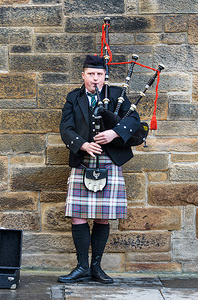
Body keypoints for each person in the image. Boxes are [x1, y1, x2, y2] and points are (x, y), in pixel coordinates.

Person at [58, 55, 141, 284]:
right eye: (91, 74)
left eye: (100, 75)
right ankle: (82, 267)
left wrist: (115, 132)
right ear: (83, 75)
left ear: (105, 76)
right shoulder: (73, 97)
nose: (96, 78)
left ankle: (96, 267)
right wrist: (82, 144)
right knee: (77, 216)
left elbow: (135, 120)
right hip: (84, 159)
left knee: (103, 217)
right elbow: (65, 128)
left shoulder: (117, 94)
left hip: (110, 160)